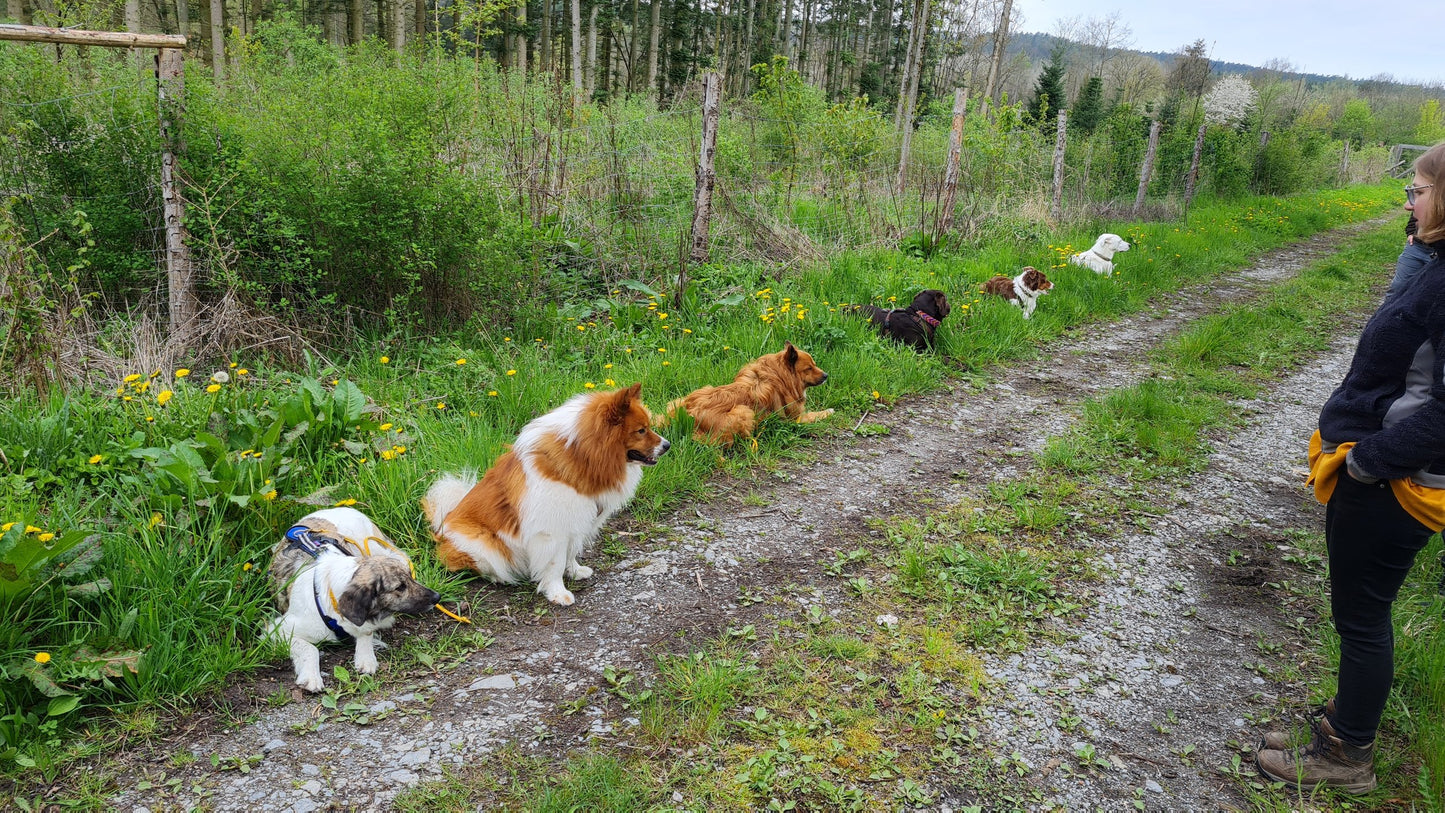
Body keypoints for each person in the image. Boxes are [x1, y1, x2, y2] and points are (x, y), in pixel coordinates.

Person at [1256, 140, 1445, 795]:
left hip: (1395, 482)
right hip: (1389, 473)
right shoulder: (1435, 261)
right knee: (1361, 611)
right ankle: (1344, 721)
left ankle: (1347, 757)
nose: (1407, 200)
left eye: (1417, 189)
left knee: (1362, 617)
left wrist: (1366, 462)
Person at [1382, 211, 1437, 302]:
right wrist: (1411, 232)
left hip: (1440, 252)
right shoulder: (1429, 197)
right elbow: (1417, 210)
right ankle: (1387, 314)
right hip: (1416, 247)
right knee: (1398, 287)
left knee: (1433, 292)